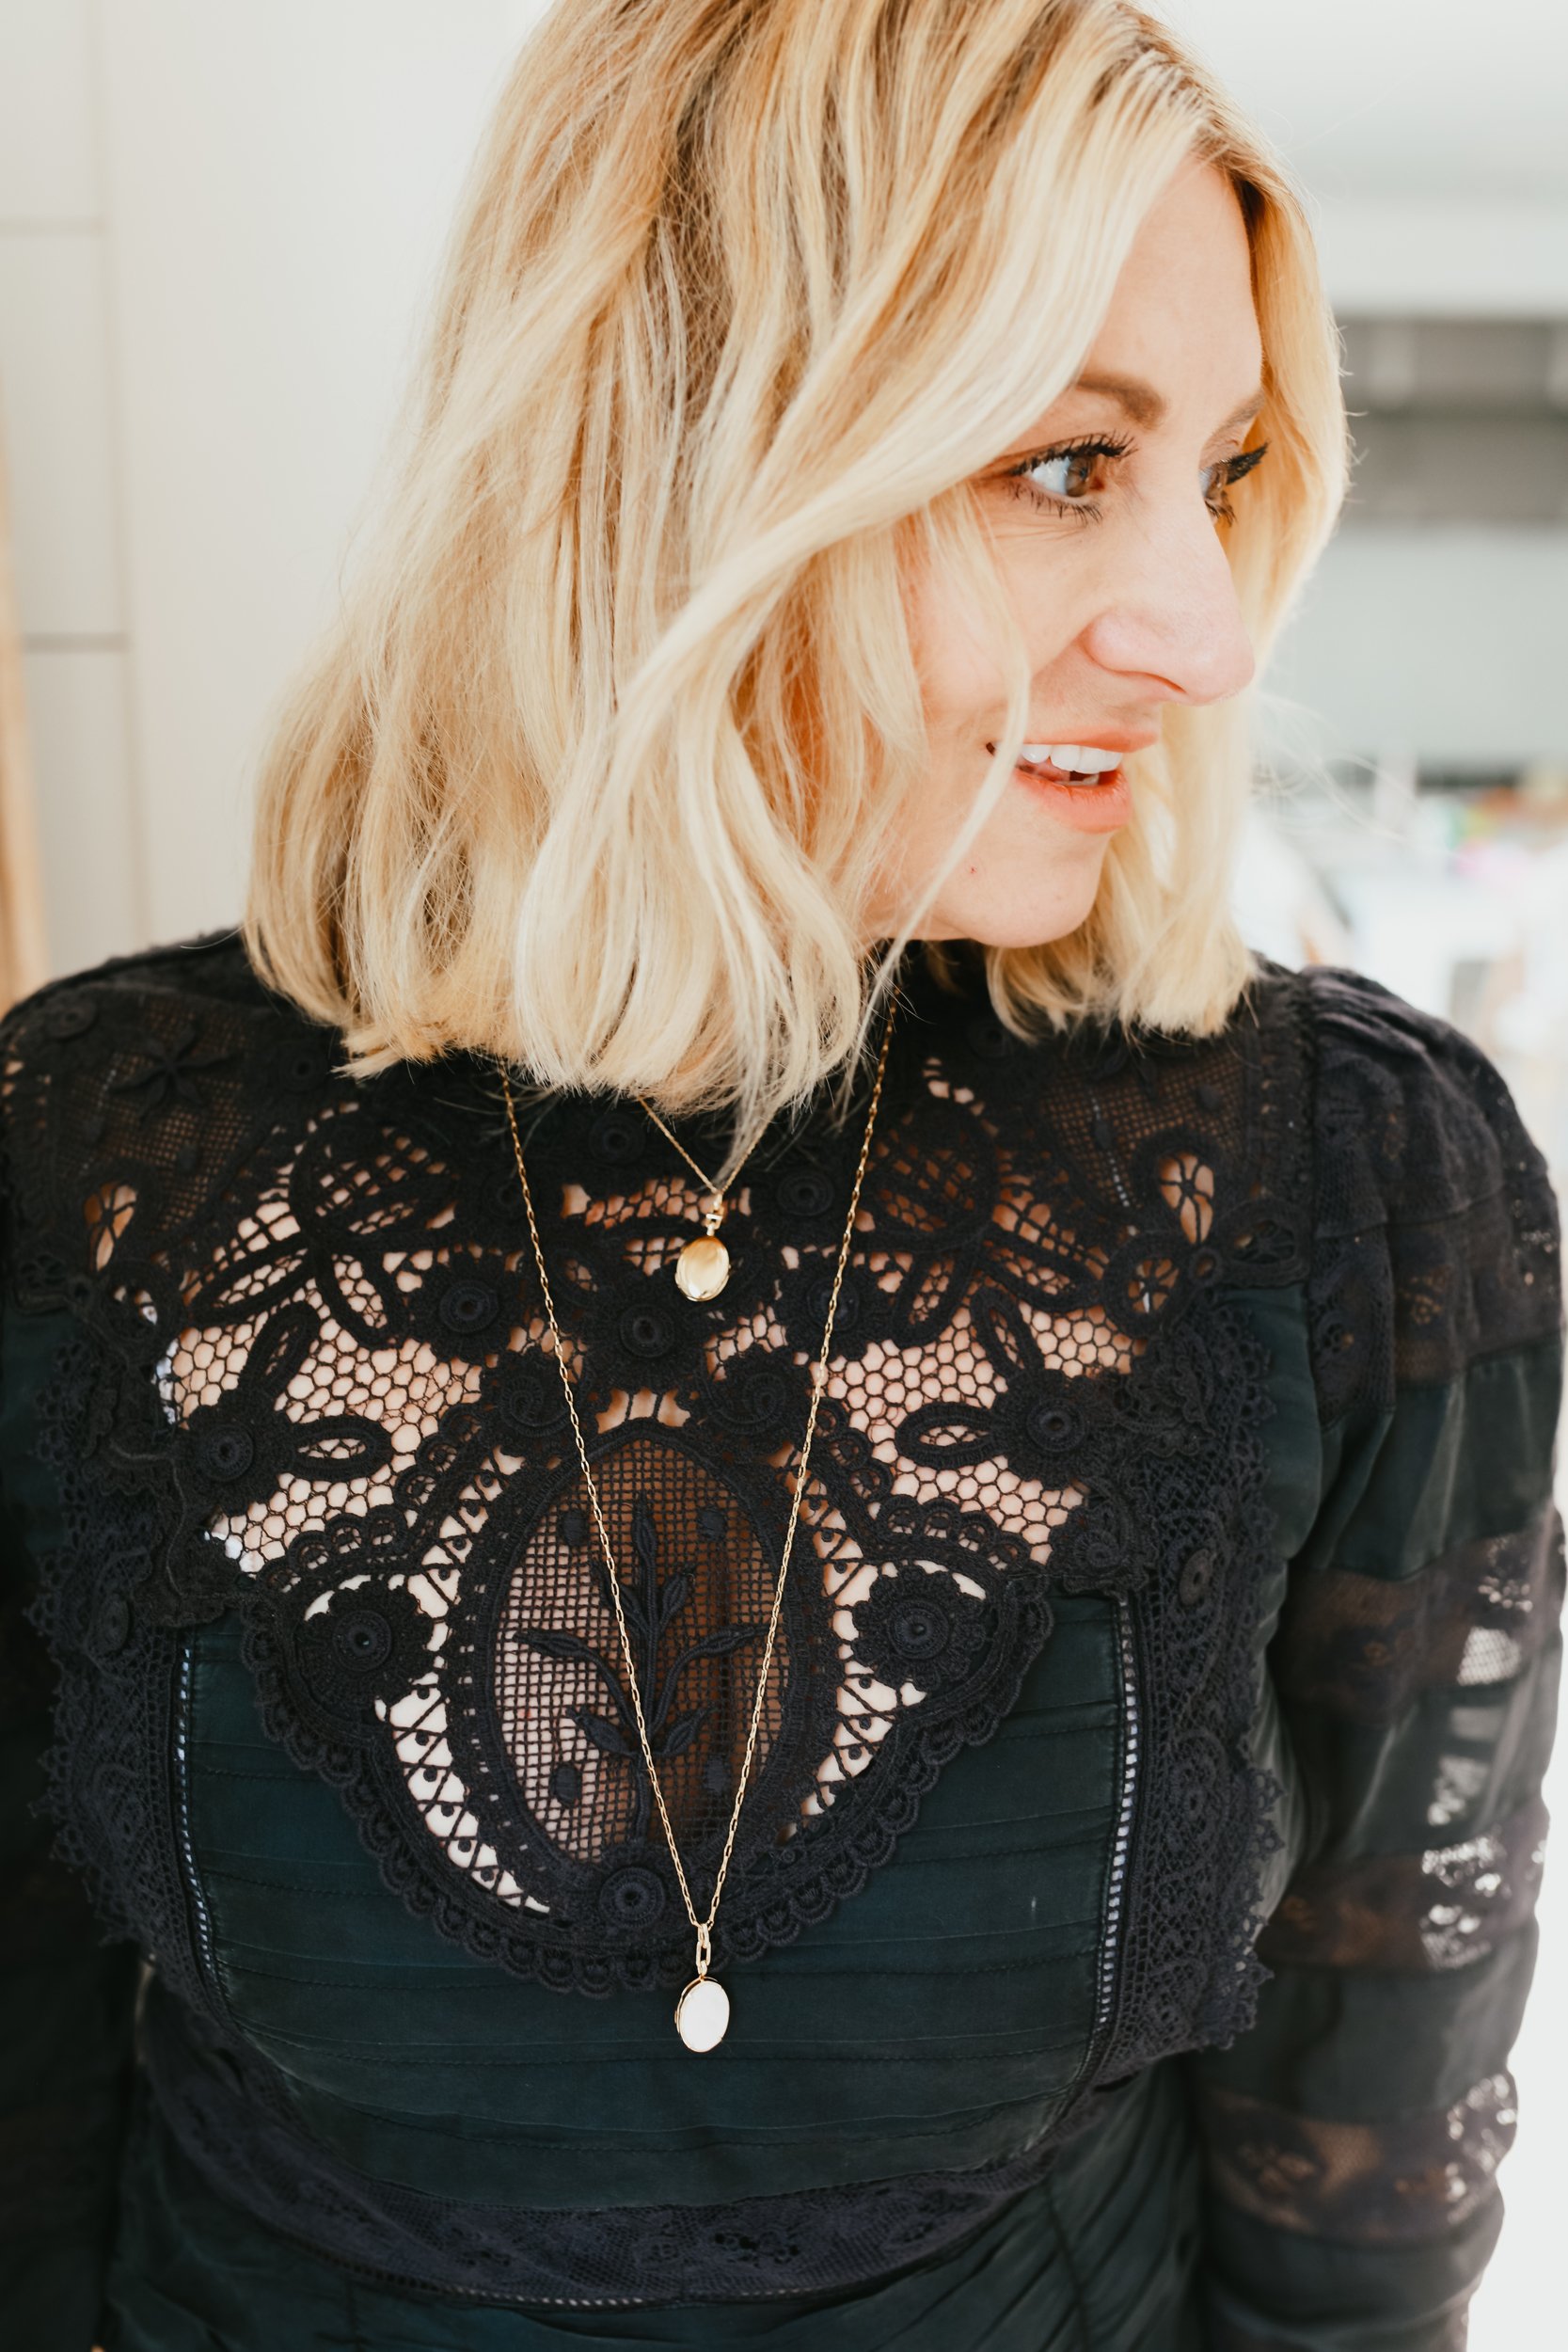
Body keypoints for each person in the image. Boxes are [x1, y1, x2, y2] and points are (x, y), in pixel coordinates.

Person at [1, 3, 1560, 2346]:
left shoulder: (1348, 1176)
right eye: (1065, 464)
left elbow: (1360, 2157)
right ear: (683, 456)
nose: (1212, 628)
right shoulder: (94, 1156)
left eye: (1223, 470)